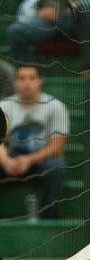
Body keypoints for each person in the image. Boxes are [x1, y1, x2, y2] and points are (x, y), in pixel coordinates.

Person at [0, 64, 69, 219]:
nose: (27, 83)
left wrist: (29, 160)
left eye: (32, 78)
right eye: (22, 78)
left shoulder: (55, 106)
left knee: (56, 166)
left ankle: (49, 218)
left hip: (40, 158)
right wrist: (5, 162)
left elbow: (57, 146)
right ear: (14, 82)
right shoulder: (3, 107)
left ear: (40, 81)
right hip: (9, 156)